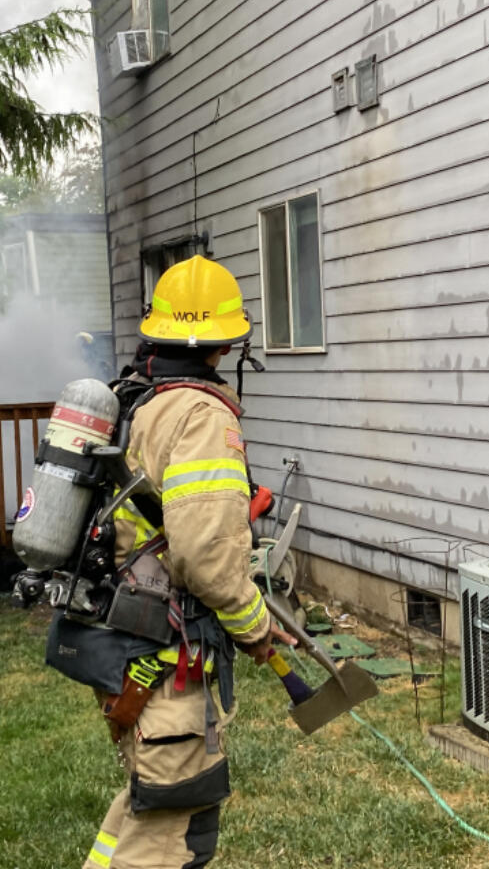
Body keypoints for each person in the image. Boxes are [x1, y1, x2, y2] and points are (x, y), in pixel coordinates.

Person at [63, 255, 294, 869]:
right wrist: (256, 623)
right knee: (174, 827)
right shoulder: (201, 414)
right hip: (164, 653)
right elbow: (207, 562)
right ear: (225, 345)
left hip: (126, 641)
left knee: (149, 802)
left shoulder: (137, 396)